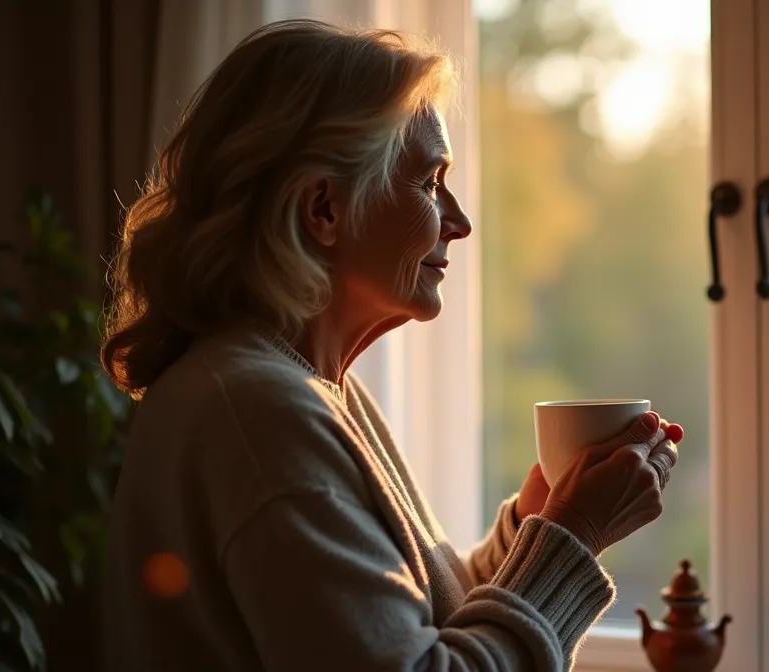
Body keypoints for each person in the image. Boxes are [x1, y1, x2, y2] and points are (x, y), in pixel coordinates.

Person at [100, 20, 681, 671]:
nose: (458, 223)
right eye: (431, 182)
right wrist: (573, 538)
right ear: (324, 208)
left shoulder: (300, 390)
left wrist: (534, 523)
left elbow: (404, 623)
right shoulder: (260, 413)